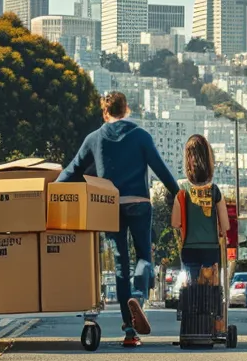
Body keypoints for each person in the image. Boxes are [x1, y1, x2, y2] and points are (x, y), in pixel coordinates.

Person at [59, 91, 181, 348]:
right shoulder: (140, 136)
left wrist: (50, 192)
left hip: (109, 206)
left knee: (120, 265)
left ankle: (129, 329)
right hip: (139, 203)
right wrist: (181, 196)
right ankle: (138, 296)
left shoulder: (94, 138)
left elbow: (73, 170)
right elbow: (161, 169)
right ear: (126, 109)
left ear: (105, 112)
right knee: (145, 257)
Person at [171, 134, 229, 343]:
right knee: (211, 286)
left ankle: (191, 323)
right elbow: (226, 226)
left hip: (189, 248)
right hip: (211, 248)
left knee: (191, 285)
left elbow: (176, 222)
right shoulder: (215, 191)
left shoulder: (182, 192)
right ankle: (214, 325)